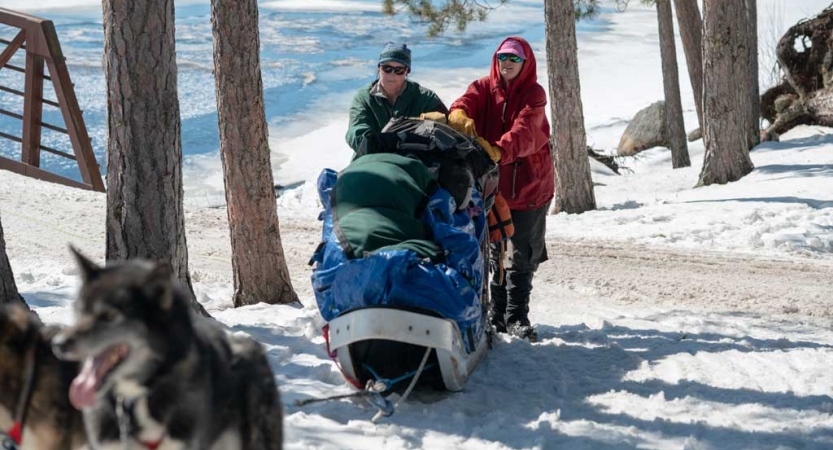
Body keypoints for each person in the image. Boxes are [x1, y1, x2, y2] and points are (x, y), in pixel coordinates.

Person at [448, 36, 554, 341]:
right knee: (494, 247)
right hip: (491, 186)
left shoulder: (534, 95)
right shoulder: (484, 87)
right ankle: (496, 313)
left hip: (528, 186)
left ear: (525, 64)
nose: (507, 64)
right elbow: (465, 101)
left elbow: (526, 131)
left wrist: (496, 150)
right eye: (502, 58)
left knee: (521, 250)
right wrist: (459, 113)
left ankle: (517, 315)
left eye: (514, 59)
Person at [345, 42, 448, 155]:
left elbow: (447, 131)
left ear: (407, 72)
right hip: (370, 157)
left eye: (399, 70)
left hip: (416, 159)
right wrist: (376, 143)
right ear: (379, 68)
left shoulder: (426, 98)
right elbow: (355, 131)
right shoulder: (364, 98)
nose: (392, 75)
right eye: (387, 68)